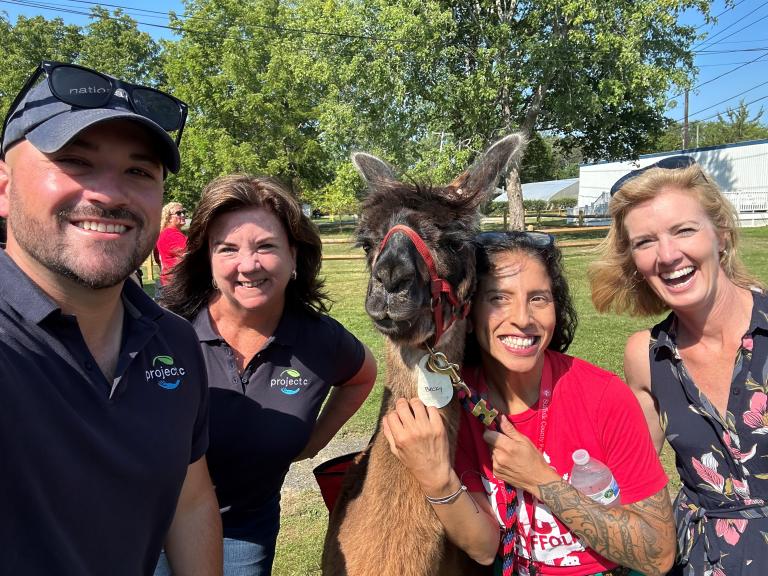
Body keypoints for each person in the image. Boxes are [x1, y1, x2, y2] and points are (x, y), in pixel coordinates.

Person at [0, 60, 222, 575]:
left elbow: (189, 502)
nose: (111, 194)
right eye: (76, 161)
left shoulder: (175, 342)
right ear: (5, 188)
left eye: (139, 171)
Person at [382, 231, 675, 576]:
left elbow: (657, 554)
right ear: (469, 311)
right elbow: (484, 546)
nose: (523, 318)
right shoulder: (459, 408)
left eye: (539, 298)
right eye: (498, 299)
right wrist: (438, 480)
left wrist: (542, 480)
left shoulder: (603, 396)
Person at [156, 174, 377, 575]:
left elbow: (362, 375)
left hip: (244, 528)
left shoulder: (320, 340)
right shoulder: (165, 331)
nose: (248, 265)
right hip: (151, 524)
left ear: (294, 255)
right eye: (228, 248)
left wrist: (313, 442)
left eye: (266, 246)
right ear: (206, 257)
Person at [589, 156, 768, 575]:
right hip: (698, 561)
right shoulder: (646, 356)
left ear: (720, 235)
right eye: (645, 242)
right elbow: (633, 480)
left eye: (684, 230)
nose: (667, 255)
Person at [155, 201, 188, 298]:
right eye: (178, 213)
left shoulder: (164, 234)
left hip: (169, 284)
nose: (183, 215)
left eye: (184, 212)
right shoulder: (171, 234)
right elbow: (193, 253)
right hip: (175, 286)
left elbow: (157, 258)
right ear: (168, 218)